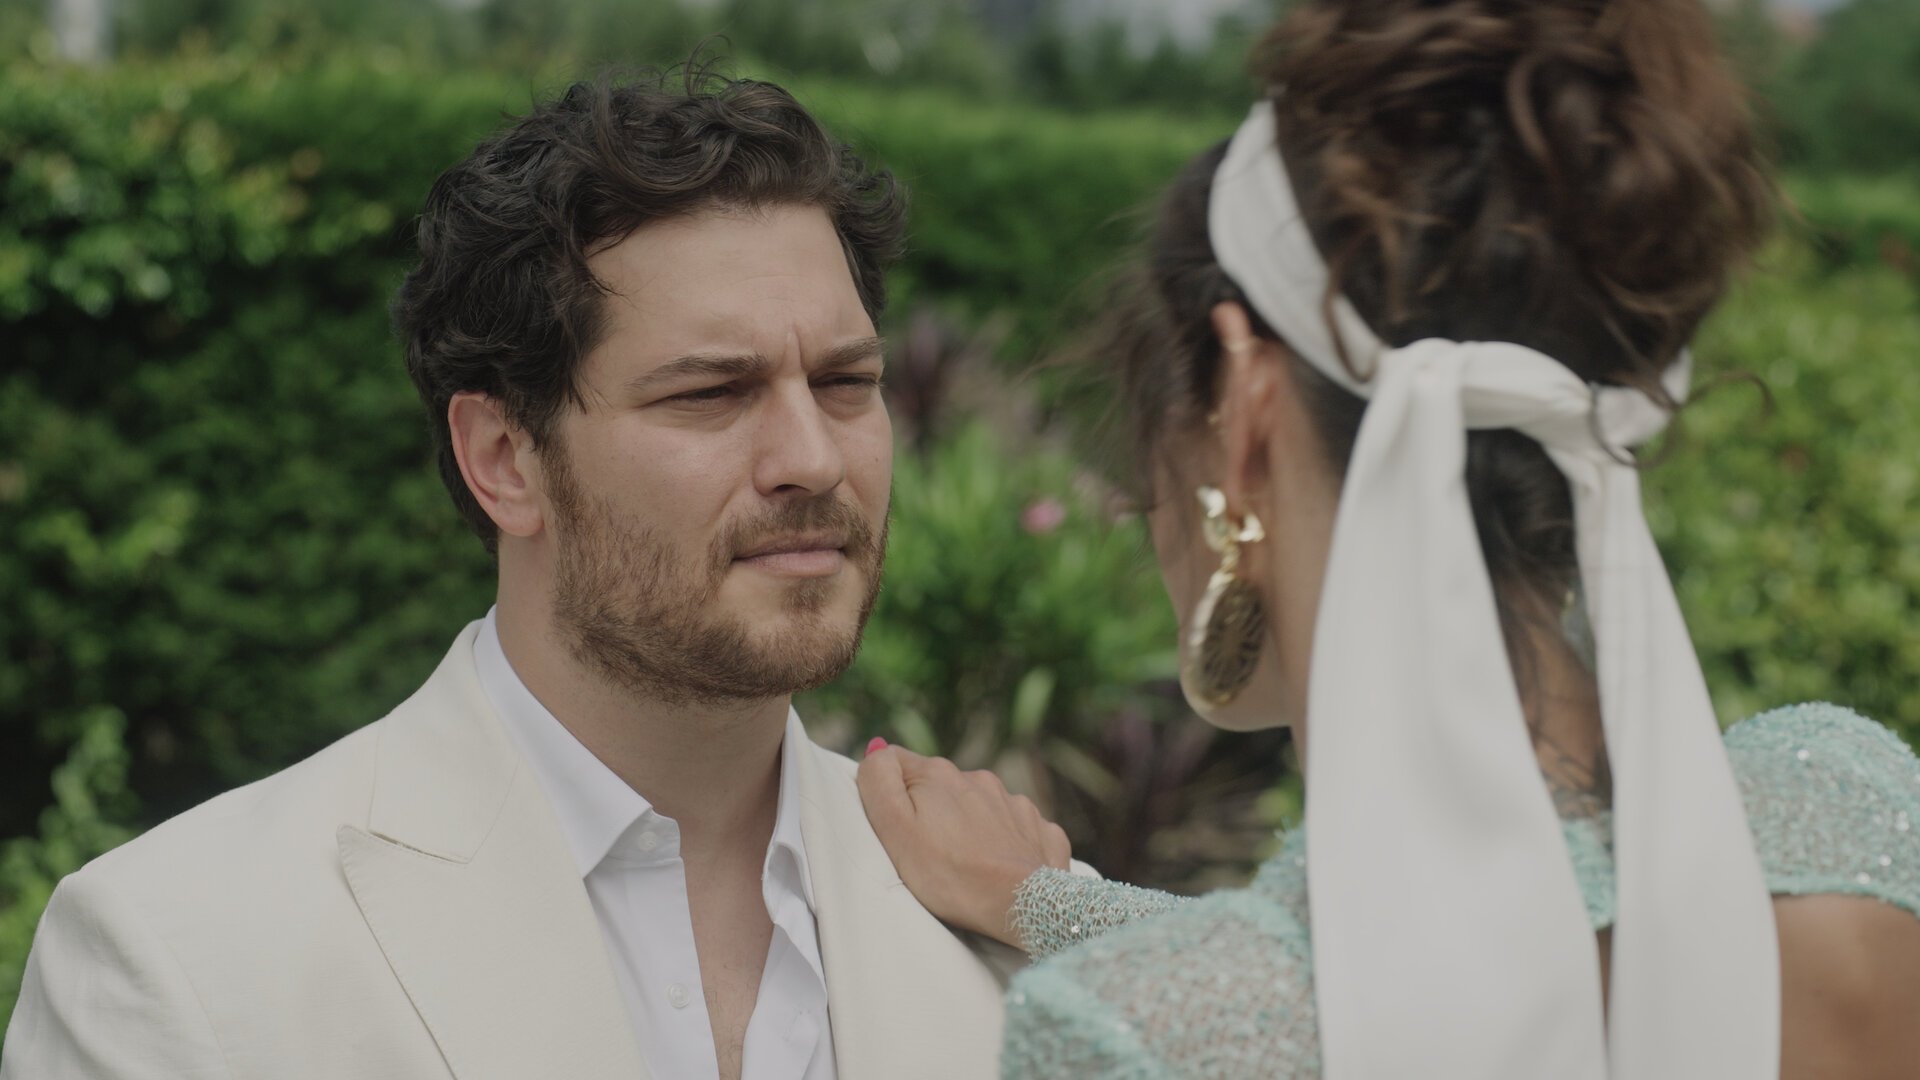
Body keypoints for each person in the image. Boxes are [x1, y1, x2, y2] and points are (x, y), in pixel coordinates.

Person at [857, 1, 1920, 1077]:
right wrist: (1052, 903)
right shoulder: (1846, 823)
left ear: (1243, 405)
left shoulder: (1129, 1036)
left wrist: (1079, 943)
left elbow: (1305, 1013)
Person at [0, 69, 1047, 1080]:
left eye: (846, 381)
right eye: (710, 394)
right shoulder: (180, 963)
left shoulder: (1032, 915)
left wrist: (1072, 922)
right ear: (504, 459)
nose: (813, 458)